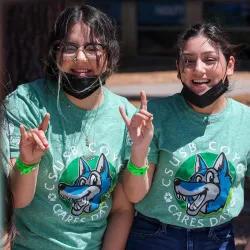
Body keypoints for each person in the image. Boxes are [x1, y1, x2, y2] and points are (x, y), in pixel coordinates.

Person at [3, 4, 136, 250]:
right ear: (54, 54)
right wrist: (28, 162)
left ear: (110, 57)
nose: (80, 58)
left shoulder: (126, 115)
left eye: (93, 48)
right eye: (69, 48)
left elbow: (121, 209)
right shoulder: (26, 103)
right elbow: (17, 201)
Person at [121, 22, 250, 250]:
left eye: (210, 59)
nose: (198, 69)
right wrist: (139, 150)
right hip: (154, 237)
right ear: (179, 68)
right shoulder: (153, 116)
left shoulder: (246, 121)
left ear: (229, 65)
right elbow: (134, 195)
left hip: (219, 239)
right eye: (189, 61)